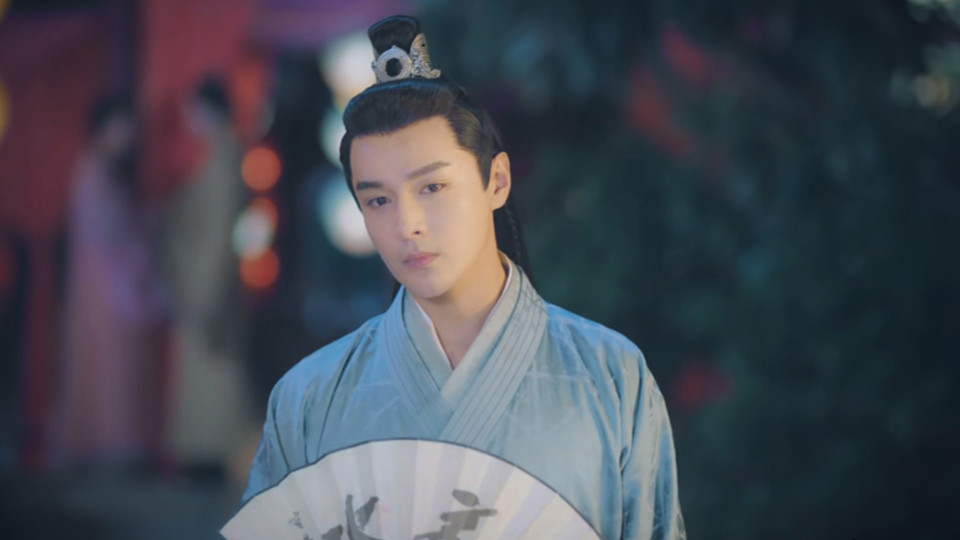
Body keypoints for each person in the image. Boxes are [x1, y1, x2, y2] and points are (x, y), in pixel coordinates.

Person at [242, 15, 685, 539]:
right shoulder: (310, 397)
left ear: (496, 181)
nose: (407, 224)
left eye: (432, 187)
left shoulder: (610, 376)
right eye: (378, 200)